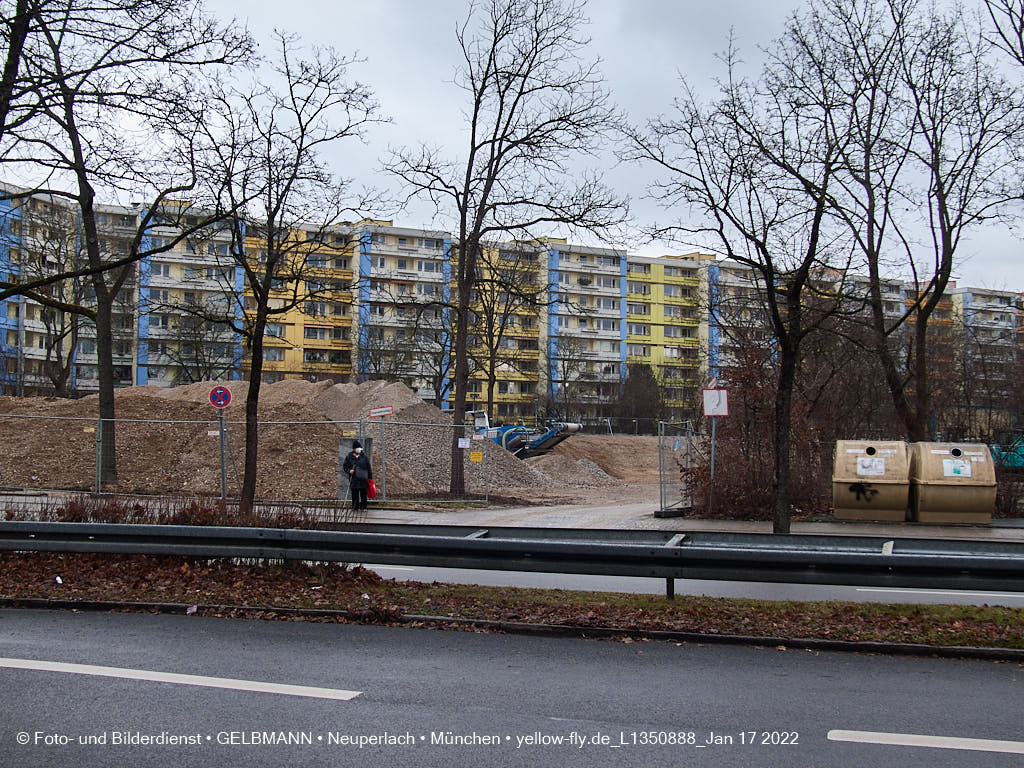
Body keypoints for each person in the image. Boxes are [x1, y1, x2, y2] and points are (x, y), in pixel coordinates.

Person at [342, 440, 373, 510]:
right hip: (354, 478)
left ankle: (363, 507)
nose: (359, 450)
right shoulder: (349, 456)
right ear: (354, 449)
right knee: (354, 494)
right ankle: (355, 507)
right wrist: (349, 471)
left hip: (363, 479)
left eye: (360, 448)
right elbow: (345, 467)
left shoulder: (364, 457)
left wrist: (370, 478)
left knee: (363, 494)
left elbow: (369, 468)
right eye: (358, 448)